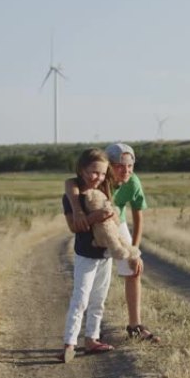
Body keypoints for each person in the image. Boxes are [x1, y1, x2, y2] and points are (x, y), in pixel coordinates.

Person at [66, 143, 160, 342]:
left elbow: (138, 218)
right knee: (92, 284)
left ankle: (135, 326)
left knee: (134, 269)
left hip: (119, 223)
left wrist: (135, 251)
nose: (125, 170)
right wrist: (77, 209)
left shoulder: (133, 182)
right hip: (97, 227)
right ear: (109, 166)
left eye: (130, 166)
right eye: (119, 165)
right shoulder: (99, 177)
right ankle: (85, 334)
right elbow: (70, 183)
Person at [60, 148, 116, 363]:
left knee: (98, 299)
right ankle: (70, 342)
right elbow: (75, 227)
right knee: (80, 299)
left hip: (105, 255)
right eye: (94, 172)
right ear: (82, 170)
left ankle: (92, 338)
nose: (98, 178)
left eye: (102, 174)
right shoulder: (72, 198)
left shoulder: (104, 191)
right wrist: (95, 216)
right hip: (86, 255)